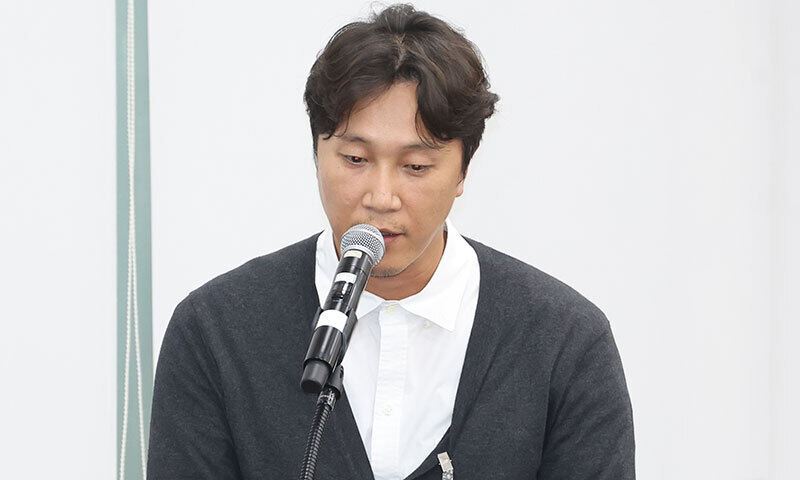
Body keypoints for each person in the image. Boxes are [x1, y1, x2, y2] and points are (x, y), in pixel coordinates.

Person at [147, 4, 635, 479]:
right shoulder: (216, 331)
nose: (381, 198)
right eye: (355, 159)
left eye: (416, 166)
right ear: (316, 152)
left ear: (464, 168)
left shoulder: (565, 342)